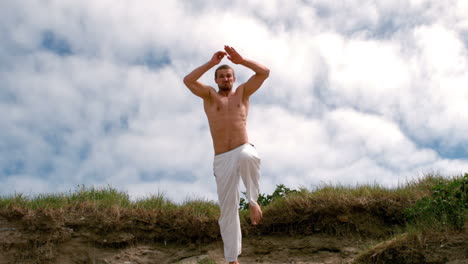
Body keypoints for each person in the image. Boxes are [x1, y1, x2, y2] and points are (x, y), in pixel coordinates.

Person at [183, 45, 270, 263]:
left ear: (234, 78)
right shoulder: (210, 97)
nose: (225, 79)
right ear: (216, 80)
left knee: (248, 156)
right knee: (227, 210)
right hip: (221, 158)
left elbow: (264, 72)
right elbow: (188, 80)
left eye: (228, 75)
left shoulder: (242, 93)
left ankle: (252, 201)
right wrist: (211, 63)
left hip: (242, 147)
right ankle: (232, 259)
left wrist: (241, 61)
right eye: (221, 76)